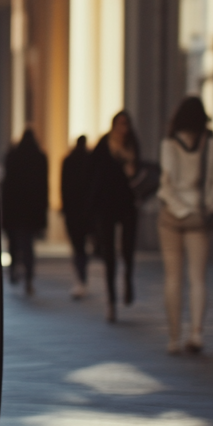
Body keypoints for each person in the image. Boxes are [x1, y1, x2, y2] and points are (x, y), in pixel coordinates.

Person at [157, 97, 213, 354]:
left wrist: (179, 209)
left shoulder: (169, 144)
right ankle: (196, 333)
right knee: (198, 278)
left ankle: (174, 338)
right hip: (198, 216)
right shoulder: (212, 144)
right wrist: (208, 208)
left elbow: (166, 183)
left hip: (171, 216)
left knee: (173, 278)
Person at [88, 111, 140, 322]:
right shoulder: (103, 144)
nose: (124, 129)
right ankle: (111, 301)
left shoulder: (132, 145)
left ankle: (128, 280)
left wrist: (130, 167)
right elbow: (92, 173)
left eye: (126, 124)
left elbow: (139, 174)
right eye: (120, 124)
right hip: (106, 206)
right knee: (109, 254)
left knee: (128, 249)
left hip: (128, 205)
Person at [2, 129, 48, 294]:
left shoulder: (13, 156)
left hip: (14, 210)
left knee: (14, 243)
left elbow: (6, 186)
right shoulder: (40, 158)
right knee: (28, 245)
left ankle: (14, 270)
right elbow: (44, 189)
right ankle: (28, 276)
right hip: (31, 212)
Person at [61, 135, 92, 299]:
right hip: (87, 212)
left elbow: (64, 188)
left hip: (73, 212)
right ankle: (82, 277)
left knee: (77, 247)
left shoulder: (68, 161)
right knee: (83, 247)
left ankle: (80, 279)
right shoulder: (90, 161)